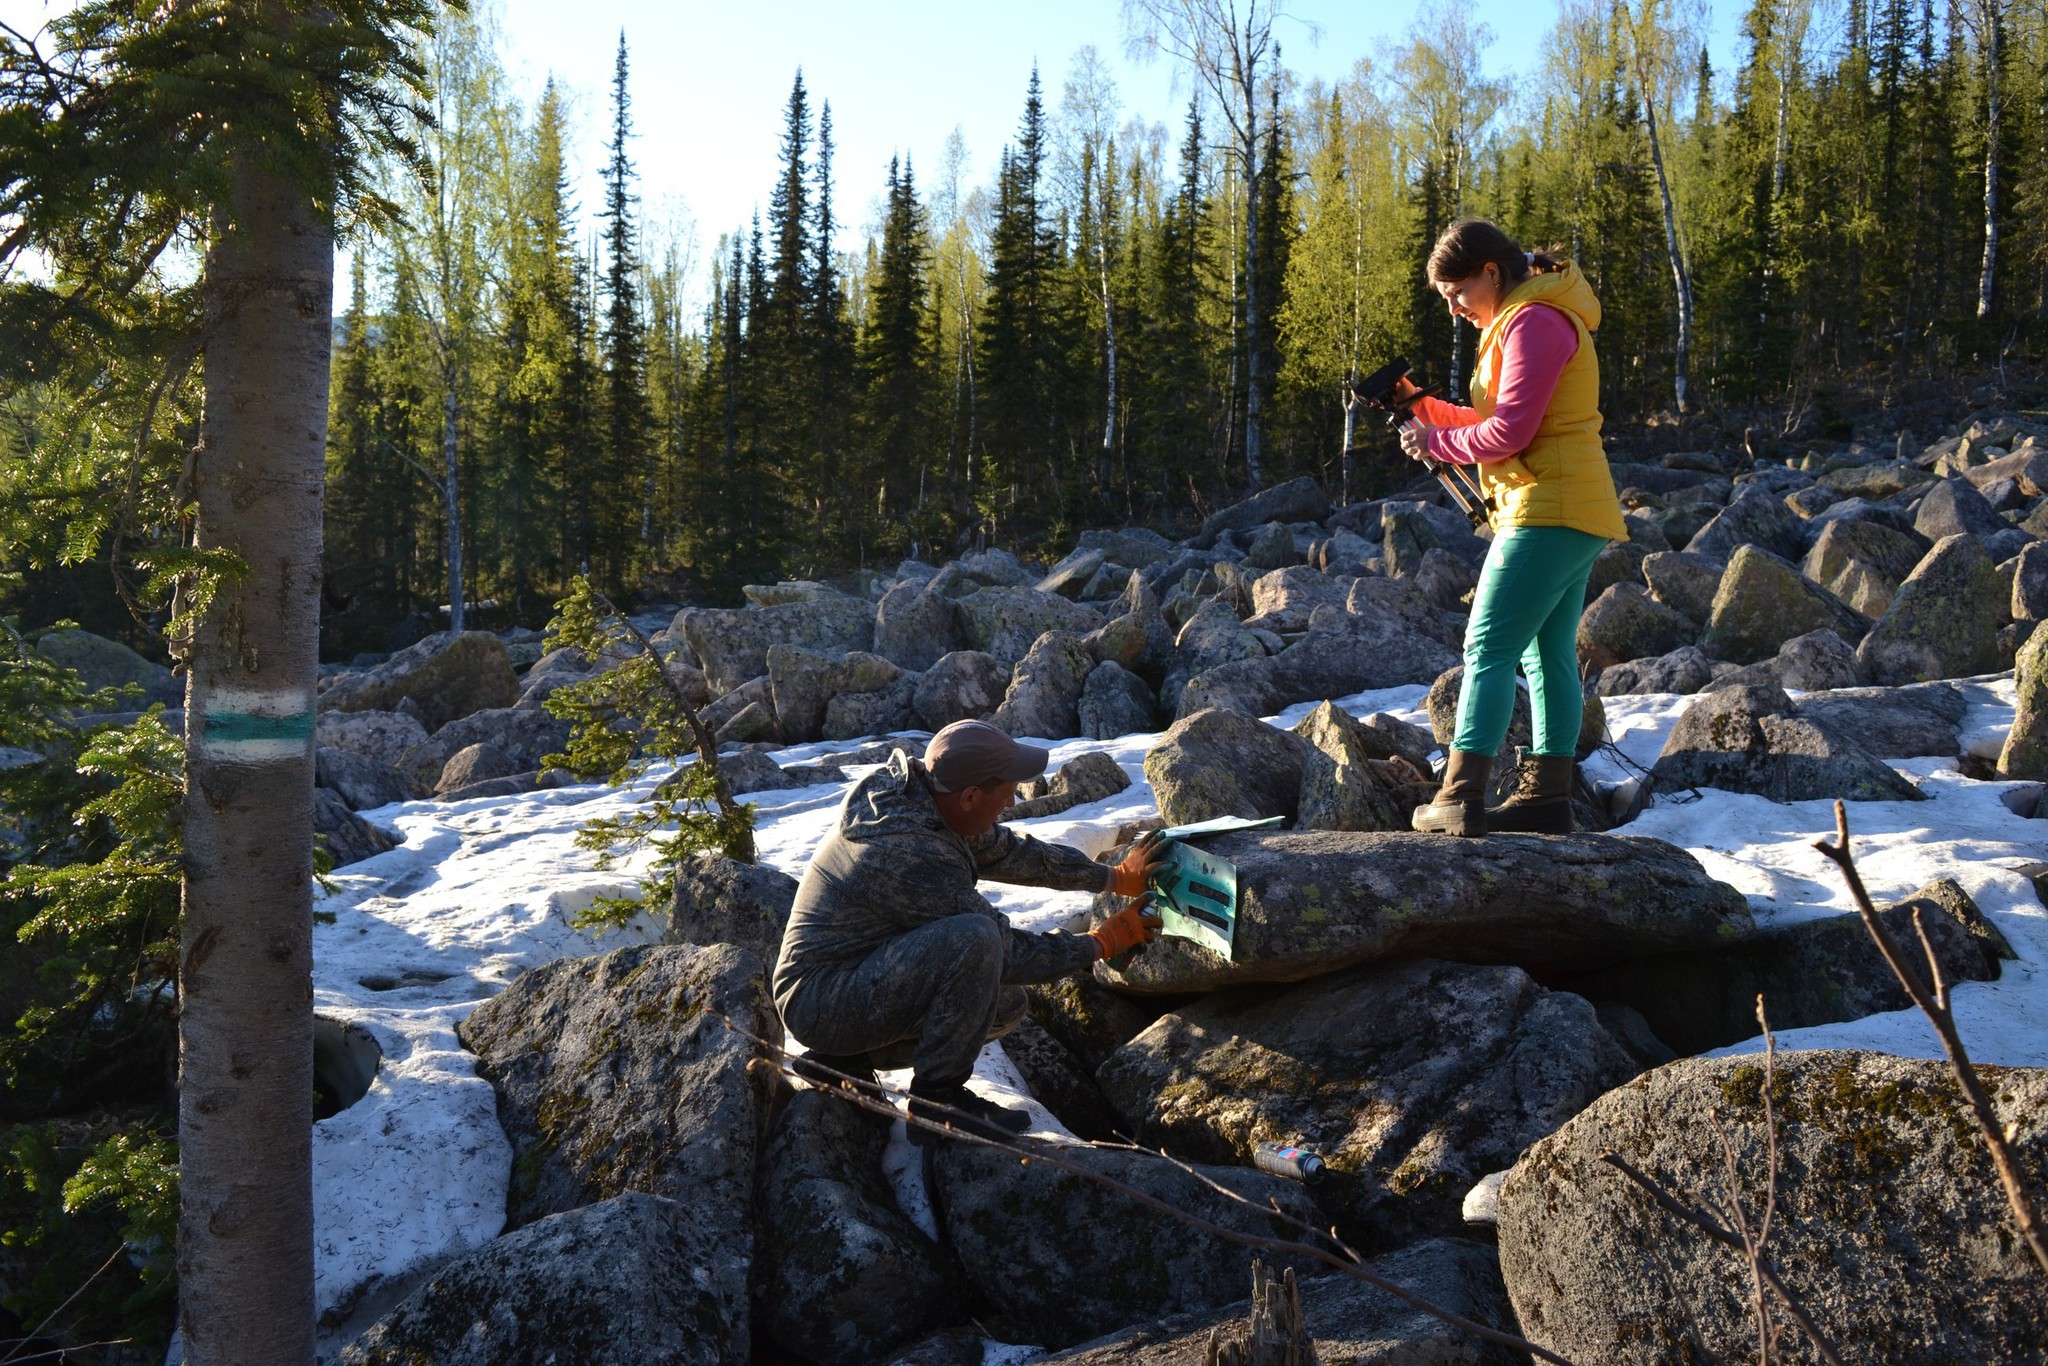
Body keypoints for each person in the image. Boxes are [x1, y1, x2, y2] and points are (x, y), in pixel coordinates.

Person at [772, 719, 1164, 1142]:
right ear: (971, 796)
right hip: (819, 999)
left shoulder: (924, 797)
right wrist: (1101, 943)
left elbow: (1009, 852)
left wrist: (1111, 877)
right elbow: (1004, 950)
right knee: (976, 940)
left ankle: (841, 1062)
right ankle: (938, 1104)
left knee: (1001, 1004)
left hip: (846, 976)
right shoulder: (910, 850)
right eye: (1007, 791)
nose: (1013, 801)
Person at [1396, 218, 1629, 836]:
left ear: (1491, 273)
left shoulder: (1533, 322)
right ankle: (1548, 797)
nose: (1454, 311)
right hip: (1568, 507)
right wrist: (1420, 408)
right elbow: (1493, 417)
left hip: (1547, 507)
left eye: (1457, 294)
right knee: (1544, 651)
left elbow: (1510, 433)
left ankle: (1460, 793)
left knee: (1487, 647)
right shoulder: (1529, 316)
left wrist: (1437, 440)